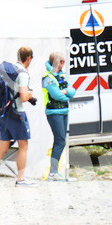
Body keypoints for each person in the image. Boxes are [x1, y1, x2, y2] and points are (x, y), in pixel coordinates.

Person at [0, 46, 37, 188]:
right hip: (17, 114)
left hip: (4, 113)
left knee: (3, 146)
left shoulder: (9, 72)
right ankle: (21, 179)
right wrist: (30, 94)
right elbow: (23, 97)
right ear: (29, 58)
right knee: (23, 146)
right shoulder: (23, 74)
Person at [41, 51, 72, 180]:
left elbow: (72, 90)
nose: (63, 63)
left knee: (61, 141)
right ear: (56, 62)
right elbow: (56, 95)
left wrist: (66, 92)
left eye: (64, 61)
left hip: (64, 111)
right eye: (61, 61)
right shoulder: (48, 77)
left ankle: (54, 172)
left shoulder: (61, 75)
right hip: (54, 112)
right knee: (60, 141)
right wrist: (67, 95)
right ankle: (53, 173)